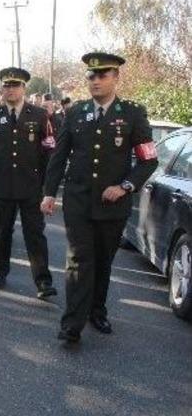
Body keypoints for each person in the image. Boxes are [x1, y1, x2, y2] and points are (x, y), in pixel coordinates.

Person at [42, 52, 157, 344]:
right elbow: (59, 156)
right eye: (91, 76)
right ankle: (72, 324)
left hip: (112, 205)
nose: (95, 80)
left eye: (102, 74)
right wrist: (48, 193)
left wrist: (125, 186)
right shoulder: (75, 112)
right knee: (79, 260)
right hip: (78, 200)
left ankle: (97, 309)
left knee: (103, 261)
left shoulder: (132, 113)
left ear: (116, 77)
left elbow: (148, 160)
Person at [0, 67, 57, 299]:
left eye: (15, 85)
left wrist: (48, 187)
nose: (10, 90)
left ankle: (43, 281)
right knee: (3, 232)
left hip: (31, 185)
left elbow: (50, 151)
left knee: (35, 235)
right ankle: (0, 272)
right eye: (6, 85)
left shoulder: (40, 115)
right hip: (2, 185)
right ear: (1, 89)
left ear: (24, 88)